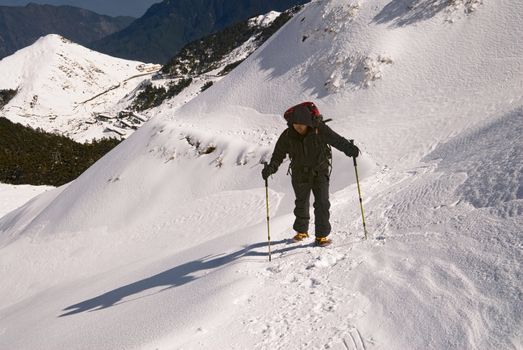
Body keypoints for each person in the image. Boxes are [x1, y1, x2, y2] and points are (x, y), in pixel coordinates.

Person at [261, 102, 360, 247]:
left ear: (308, 123)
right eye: (296, 124)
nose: (298, 127)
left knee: (322, 203)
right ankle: (302, 231)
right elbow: (278, 154)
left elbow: (336, 140)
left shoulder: (319, 129)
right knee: (301, 202)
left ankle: (321, 236)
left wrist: (349, 149)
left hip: (320, 171)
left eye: (302, 125)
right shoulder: (288, 134)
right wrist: (271, 168)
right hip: (299, 173)